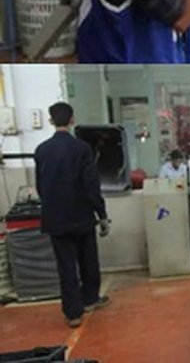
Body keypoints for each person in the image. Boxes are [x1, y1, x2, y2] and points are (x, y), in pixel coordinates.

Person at [34, 102, 112, 327]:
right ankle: (90, 299)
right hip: (81, 216)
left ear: (50, 121)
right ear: (72, 120)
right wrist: (102, 214)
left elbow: (41, 186)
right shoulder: (82, 149)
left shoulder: (41, 150)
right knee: (88, 260)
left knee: (65, 265)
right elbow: (91, 185)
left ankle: (73, 313)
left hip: (55, 219)